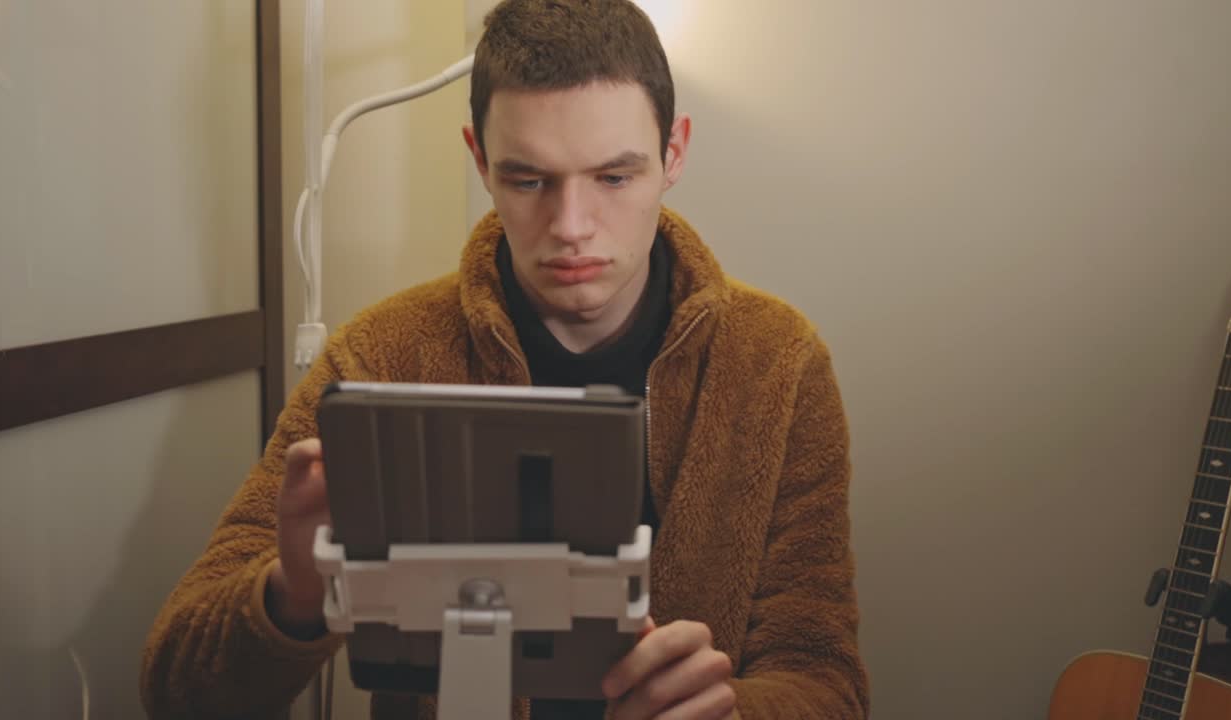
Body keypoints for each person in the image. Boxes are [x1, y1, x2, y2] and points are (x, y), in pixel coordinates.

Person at [141, 1, 868, 718]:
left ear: (673, 153)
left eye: (614, 178)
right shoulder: (380, 357)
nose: (572, 227)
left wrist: (733, 712)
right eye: (529, 181)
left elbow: (823, 680)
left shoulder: (778, 365)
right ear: (480, 159)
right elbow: (175, 688)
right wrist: (295, 594)